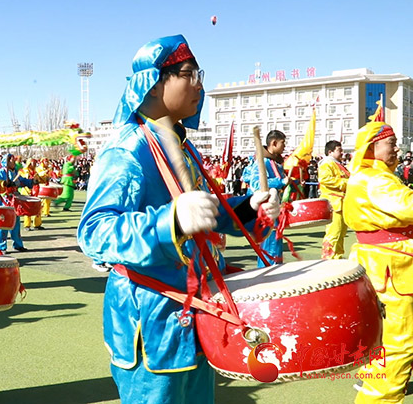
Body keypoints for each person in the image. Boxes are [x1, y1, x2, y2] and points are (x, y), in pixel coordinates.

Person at [77, 35, 278, 404]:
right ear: (153, 84)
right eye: (189, 75)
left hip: (199, 311)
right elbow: (95, 231)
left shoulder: (181, 144)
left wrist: (249, 207)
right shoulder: (128, 150)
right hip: (150, 320)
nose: (199, 85)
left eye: (200, 75)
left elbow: (205, 212)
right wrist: (170, 221)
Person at [344, 122, 413, 403]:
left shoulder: (370, 176)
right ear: (373, 147)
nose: (397, 148)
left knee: (381, 338)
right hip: (393, 266)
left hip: (381, 262)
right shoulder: (376, 179)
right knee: (399, 343)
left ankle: (372, 383)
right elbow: (407, 206)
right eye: (391, 143)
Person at [241, 130, 287, 267]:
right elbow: (257, 184)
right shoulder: (262, 162)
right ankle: (268, 272)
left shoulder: (273, 162)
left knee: (275, 243)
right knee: (269, 245)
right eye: (283, 143)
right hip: (265, 211)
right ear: (274, 143)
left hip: (273, 209)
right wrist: (281, 182)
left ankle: (275, 269)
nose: (284, 146)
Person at [0, 153, 33, 253]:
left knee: (15, 224)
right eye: (11, 159)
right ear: (6, 161)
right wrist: (4, 184)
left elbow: (22, 181)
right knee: (3, 225)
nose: (14, 161)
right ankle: (1, 247)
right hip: (4, 201)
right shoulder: (0, 172)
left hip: (14, 201)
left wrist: (32, 182)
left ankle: (18, 244)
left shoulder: (15, 172)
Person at [318, 140, 350, 259]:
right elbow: (325, 179)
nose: (342, 152)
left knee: (340, 233)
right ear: (330, 152)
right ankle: (329, 259)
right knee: (334, 233)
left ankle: (337, 257)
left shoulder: (337, 164)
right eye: (339, 150)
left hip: (341, 204)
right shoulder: (327, 163)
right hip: (334, 204)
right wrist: (346, 183)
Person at [18, 159, 44, 231]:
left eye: (35, 162)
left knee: (38, 207)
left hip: (35, 191)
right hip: (27, 191)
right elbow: (23, 180)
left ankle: (37, 224)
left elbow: (40, 180)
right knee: (27, 208)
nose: (35, 164)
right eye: (33, 162)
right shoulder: (23, 171)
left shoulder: (35, 172)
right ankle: (27, 225)